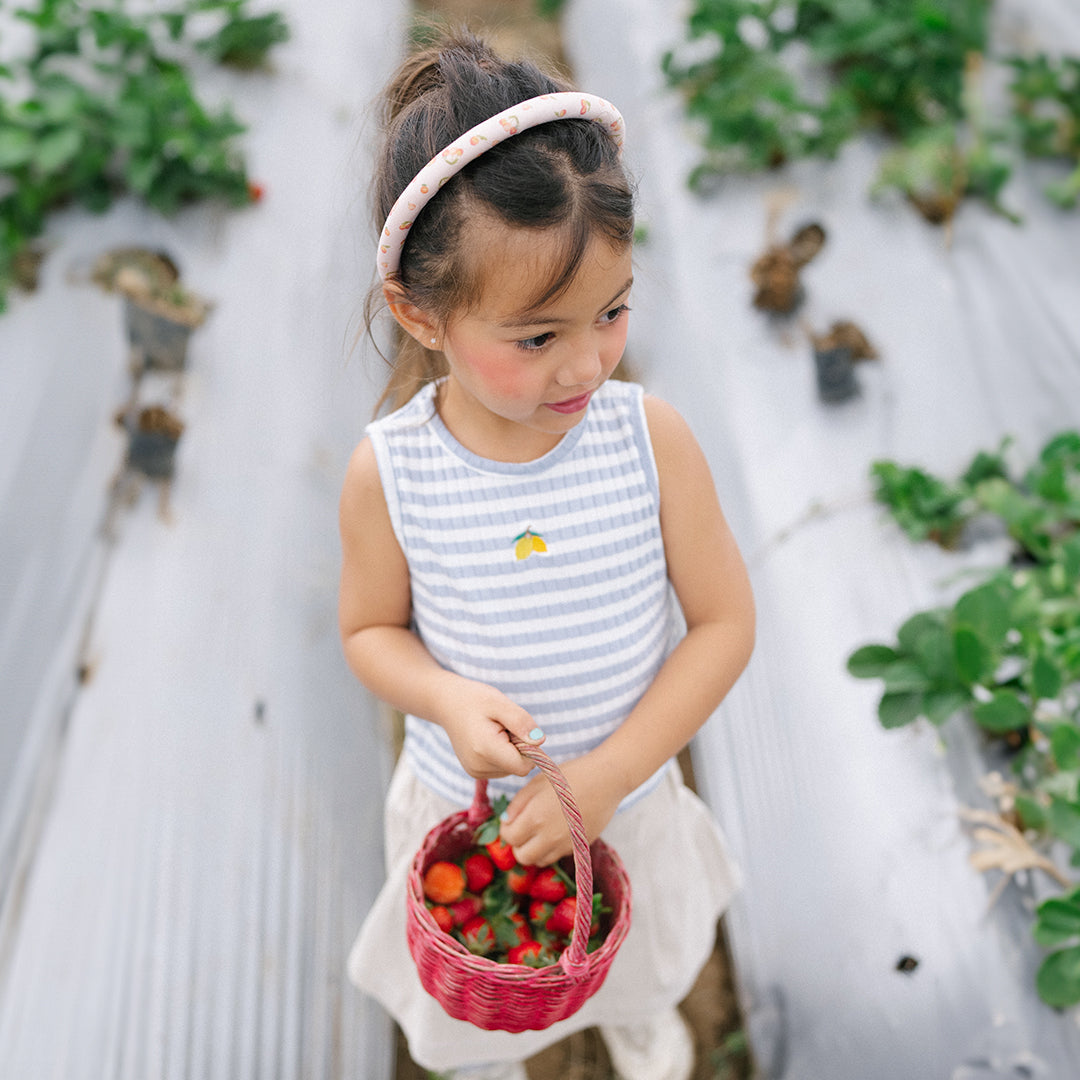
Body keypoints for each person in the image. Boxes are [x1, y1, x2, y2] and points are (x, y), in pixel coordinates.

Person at [340, 29, 755, 1080]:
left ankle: (634, 1022)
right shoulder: (392, 471)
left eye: (612, 312)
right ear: (420, 315)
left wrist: (612, 772)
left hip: (630, 792)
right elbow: (370, 631)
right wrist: (439, 696)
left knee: (637, 957)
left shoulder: (648, 441)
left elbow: (724, 623)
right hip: (467, 810)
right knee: (486, 969)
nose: (585, 361)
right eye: (536, 337)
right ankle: (494, 1051)